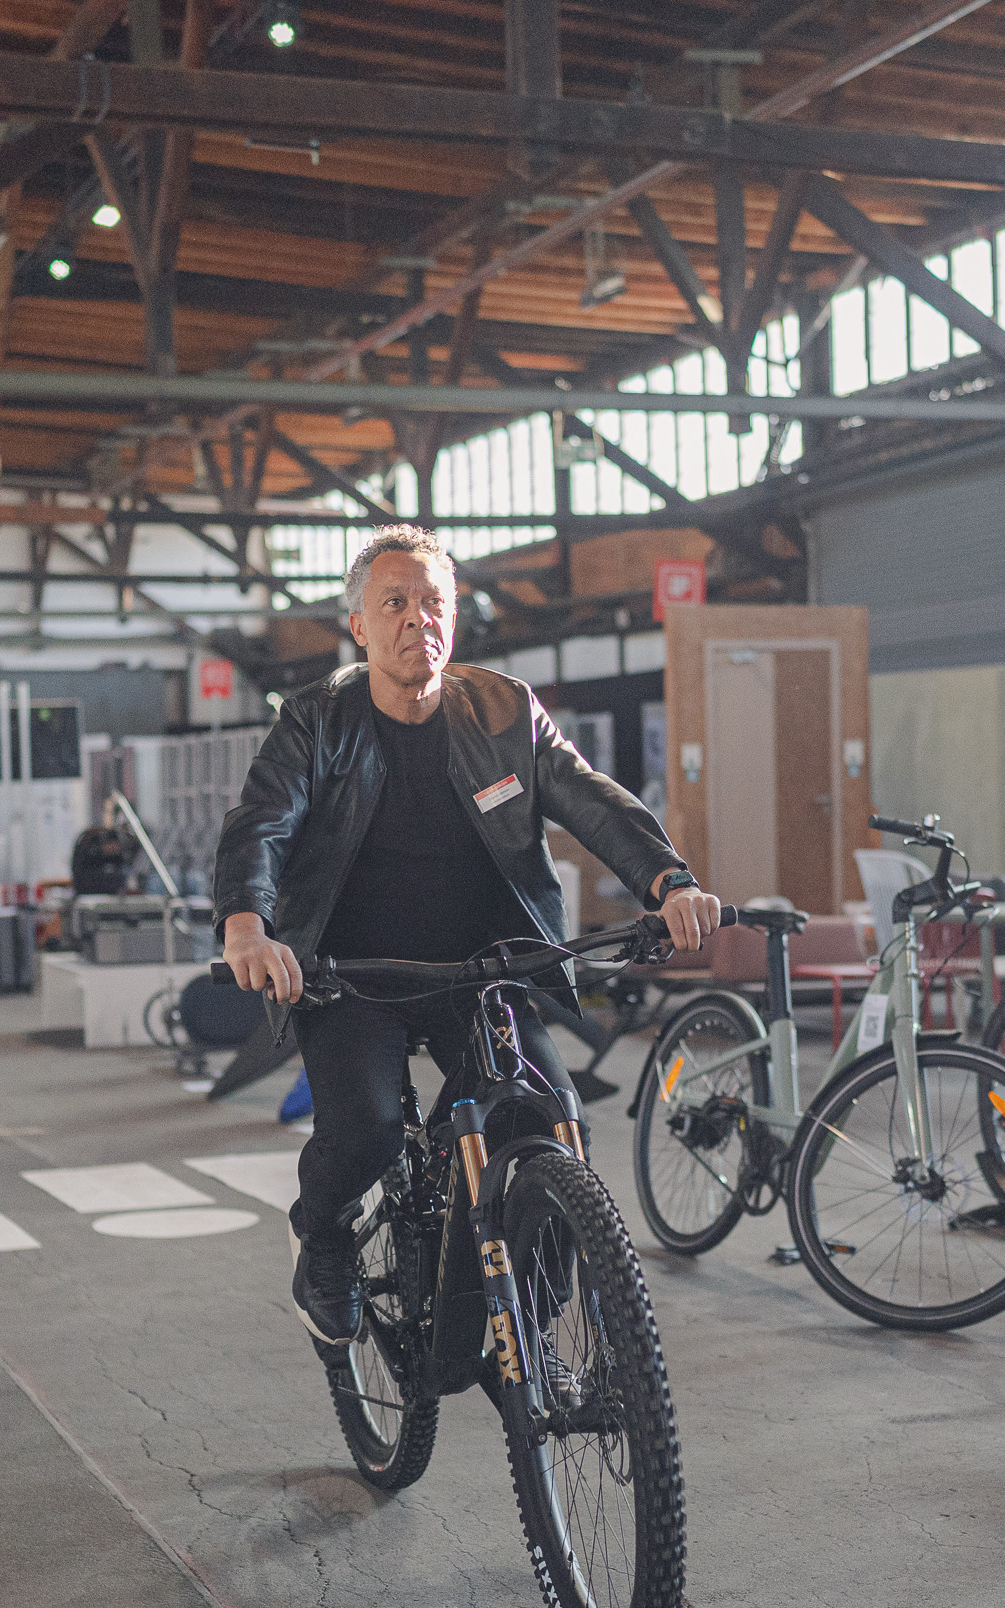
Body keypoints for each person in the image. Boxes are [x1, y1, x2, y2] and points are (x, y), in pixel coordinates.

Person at [216, 523, 719, 1345]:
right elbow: (261, 823)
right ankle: (326, 1238)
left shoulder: (504, 710)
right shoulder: (315, 720)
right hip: (353, 976)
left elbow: (589, 798)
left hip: (483, 969)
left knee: (549, 1119)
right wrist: (247, 924)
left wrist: (668, 881)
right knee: (371, 1127)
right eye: (395, 603)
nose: (419, 619)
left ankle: (521, 1298)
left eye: (434, 601)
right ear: (360, 627)